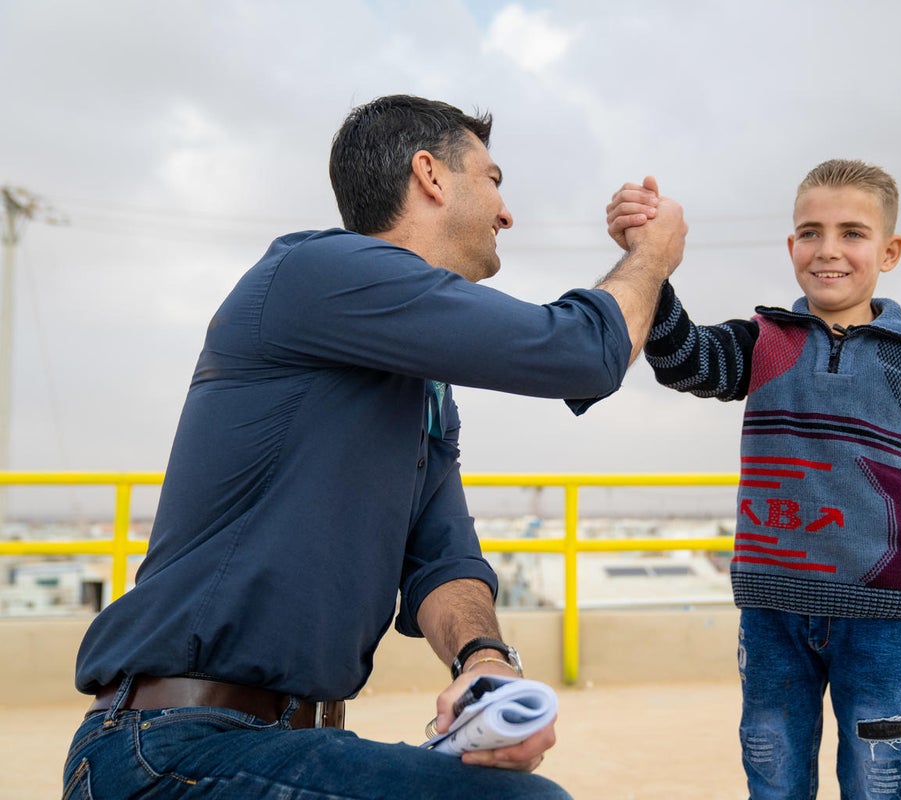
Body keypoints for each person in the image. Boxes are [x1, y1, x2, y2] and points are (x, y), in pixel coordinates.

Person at [63, 94, 687, 799]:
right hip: (169, 748)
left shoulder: (423, 384)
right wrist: (653, 255)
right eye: (494, 180)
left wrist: (483, 660)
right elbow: (581, 353)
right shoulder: (317, 273)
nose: (506, 213)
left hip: (282, 746)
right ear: (430, 175)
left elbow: (441, 555)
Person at [607, 160, 901, 799]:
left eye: (852, 233)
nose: (828, 249)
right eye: (810, 232)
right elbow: (682, 361)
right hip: (772, 609)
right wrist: (652, 263)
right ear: (791, 248)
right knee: (772, 766)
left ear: (889, 251)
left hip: (887, 615)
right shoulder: (767, 342)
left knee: (878, 774)